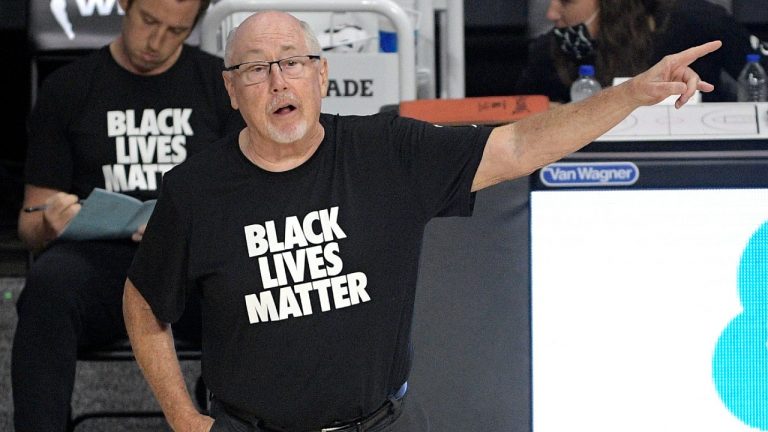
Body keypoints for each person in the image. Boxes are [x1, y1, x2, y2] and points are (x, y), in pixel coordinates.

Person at [122, 10, 721, 432]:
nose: (278, 80)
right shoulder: (198, 190)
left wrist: (633, 94)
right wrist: (181, 415)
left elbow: (516, 148)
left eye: (293, 62)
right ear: (232, 91)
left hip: (384, 423)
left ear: (321, 76)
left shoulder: (385, 150)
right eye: (255, 69)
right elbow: (144, 302)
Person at [11, 0, 244, 430]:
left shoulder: (219, 86)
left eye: (175, 31)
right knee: (47, 287)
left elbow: (247, 201)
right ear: (124, 4)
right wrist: (49, 220)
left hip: (192, 265)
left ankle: (232, 416)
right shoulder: (70, 87)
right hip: (98, 262)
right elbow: (29, 223)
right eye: (148, 21)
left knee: (251, 282)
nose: (156, 42)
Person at [515, 0, 766, 103]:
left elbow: (760, 79)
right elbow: (519, 119)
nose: (551, 13)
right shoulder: (551, 50)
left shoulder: (699, 24)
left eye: (567, 1)